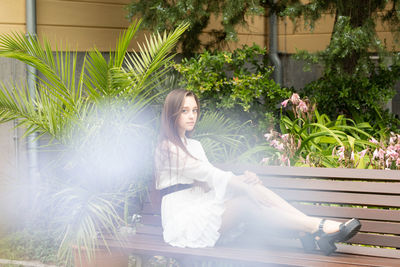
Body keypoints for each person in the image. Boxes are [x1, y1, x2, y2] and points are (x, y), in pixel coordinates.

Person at [154, 89, 361, 255]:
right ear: (172, 113)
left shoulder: (195, 145)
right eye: (184, 111)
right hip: (183, 219)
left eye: (194, 110)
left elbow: (210, 177)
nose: (192, 116)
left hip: (200, 207)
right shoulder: (167, 148)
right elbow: (210, 175)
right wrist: (241, 185)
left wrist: (244, 180)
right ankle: (317, 228)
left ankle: (312, 229)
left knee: (253, 187)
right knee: (246, 200)